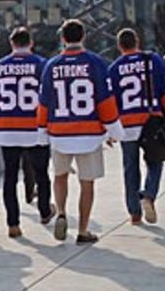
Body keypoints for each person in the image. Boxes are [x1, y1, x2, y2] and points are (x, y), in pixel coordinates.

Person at [37, 19, 124, 243]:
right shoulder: (95, 63)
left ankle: (63, 212)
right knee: (87, 183)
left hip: (59, 131)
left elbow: (44, 102)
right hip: (88, 133)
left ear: (62, 38)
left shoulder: (52, 65)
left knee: (60, 176)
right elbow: (105, 100)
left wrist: (42, 130)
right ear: (83, 36)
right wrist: (113, 129)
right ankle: (83, 229)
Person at [108, 27, 165, 225]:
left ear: (119, 46)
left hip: (126, 123)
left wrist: (111, 129)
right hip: (151, 120)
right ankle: (149, 194)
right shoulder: (152, 60)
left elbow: (110, 100)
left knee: (130, 167)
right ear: (137, 41)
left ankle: (134, 212)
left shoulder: (114, 68)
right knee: (155, 161)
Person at [0, 26, 53, 238]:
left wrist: (2, 117)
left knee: (10, 177)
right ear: (31, 43)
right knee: (41, 174)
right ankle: (44, 211)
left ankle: (13, 223)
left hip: (8, 128)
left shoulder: (0, 66)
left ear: (11, 43)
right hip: (34, 128)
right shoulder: (42, 65)